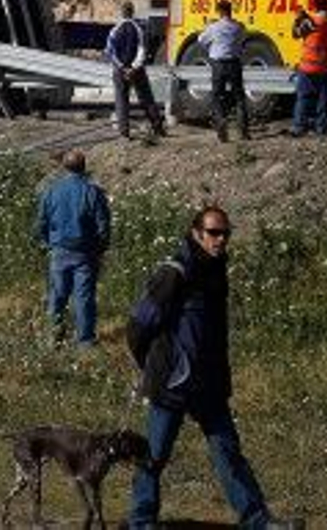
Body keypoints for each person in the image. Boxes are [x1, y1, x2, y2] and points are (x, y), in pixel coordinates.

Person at [126, 205, 276, 529]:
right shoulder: (175, 272)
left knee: (229, 454)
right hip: (172, 384)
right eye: (213, 233)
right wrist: (149, 366)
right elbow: (139, 324)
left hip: (209, 385)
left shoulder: (216, 269)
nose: (220, 240)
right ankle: (140, 521)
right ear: (197, 232)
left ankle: (258, 521)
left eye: (225, 233)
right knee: (153, 456)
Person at [32, 148, 112, 346]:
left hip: (59, 250)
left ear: (64, 167)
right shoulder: (92, 192)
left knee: (57, 295)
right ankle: (85, 341)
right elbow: (103, 226)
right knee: (83, 298)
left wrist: (46, 243)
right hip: (85, 252)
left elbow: (41, 222)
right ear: (84, 167)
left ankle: (54, 337)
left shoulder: (51, 191)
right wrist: (100, 250)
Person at [105, 2, 164, 142]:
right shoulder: (139, 29)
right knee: (146, 98)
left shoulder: (115, 30)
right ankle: (158, 128)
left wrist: (122, 67)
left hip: (120, 70)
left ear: (122, 13)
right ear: (133, 12)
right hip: (137, 70)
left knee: (121, 100)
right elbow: (142, 50)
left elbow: (110, 52)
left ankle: (124, 132)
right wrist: (134, 67)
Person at [290, 0, 327, 138]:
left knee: (303, 97)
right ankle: (321, 127)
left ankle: (299, 127)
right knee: (322, 99)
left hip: (308, 66)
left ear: (315, 6)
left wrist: (299, 18)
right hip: (325, 66)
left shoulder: (311, 22)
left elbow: (295, 34)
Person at [197, 0, 249, 142]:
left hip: (218, 64)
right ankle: (243, 131)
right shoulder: (239, 26)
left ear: (219, 11)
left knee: (217, 96)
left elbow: (201, 40)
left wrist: (208, 28)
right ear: (230, 10)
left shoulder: (214, 27)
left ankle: (222, 128)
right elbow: (244, 39)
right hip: (234, 63)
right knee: (239, 96)